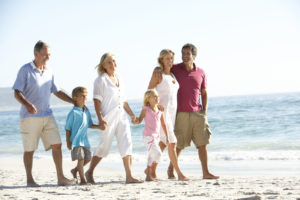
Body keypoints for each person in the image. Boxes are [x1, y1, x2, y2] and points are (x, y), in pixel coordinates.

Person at [12, 40, 77, 186]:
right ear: (36, 54)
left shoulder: (49, 71)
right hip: (29, 117)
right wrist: (27, 104)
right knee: (29, 149)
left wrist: (73, 101)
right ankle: (29, 179)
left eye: (49, 55)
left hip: (47, 115)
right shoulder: (25, 70)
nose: (48, 57)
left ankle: (61, 178)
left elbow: (57, 91)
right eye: (45, 55)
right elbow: (17, 92)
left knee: (57, 144)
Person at [153, 43, 219, 179]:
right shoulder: (176, 69)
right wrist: (157, 69)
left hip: (198, 113)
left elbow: (204, 92)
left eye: (188, 53)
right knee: (178, 145)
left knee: (203, 143)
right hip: (181, 113)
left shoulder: (201, 72)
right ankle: (170, 170)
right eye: (183, 53)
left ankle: (205, 173)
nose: (184, 56)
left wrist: (204, 110)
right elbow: (164, 67)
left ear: (194, 55)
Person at [85, 53, 143, 184]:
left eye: (114, 61)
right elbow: (96, 101)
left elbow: (124, 101)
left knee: (127, 143)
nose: (113, 64)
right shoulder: (100, 80)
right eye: (109, 62)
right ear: (103, 65)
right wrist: (100, 119)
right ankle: (89, 171)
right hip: (108, 118)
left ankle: (129, 176)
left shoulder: (120, 78)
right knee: (104, 147)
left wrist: (132, 115)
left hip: (121, 116)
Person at [147, 49, 189, 181]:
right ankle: (179, 173)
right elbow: (149, 92)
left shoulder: (172, 75)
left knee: (163, 143)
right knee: (172, 142)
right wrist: (156, 105)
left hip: (172, 114)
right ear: (161, 60)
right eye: (167, 59)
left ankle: (150, 170)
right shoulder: (158, 74)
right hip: (162, 114)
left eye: (171, 58)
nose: (170, 61)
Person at [65, 87, 104, 185]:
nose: (85, 98)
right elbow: (67, 128)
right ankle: (83, 180)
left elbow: (89, 124)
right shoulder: (73, 113)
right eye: (82, 96)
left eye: (86, 96)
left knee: (88, 159)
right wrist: (68, 142)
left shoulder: (86, 111)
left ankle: (75, 170)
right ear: (75, 98)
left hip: (84, 141)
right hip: (75, 141)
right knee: (81, 159)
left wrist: (99, 127)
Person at [133, 89, 169, 181]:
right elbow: (139, 120)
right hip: (148, 136)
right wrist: (135, 121)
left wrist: (167, 137)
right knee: (158, 153)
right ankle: (148, 173)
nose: (157, 98)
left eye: (157, 96)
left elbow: (163, 125)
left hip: (156, 137)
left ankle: (148, 175)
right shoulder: (146, 109)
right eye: (154, 96)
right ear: (148, 99)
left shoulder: (160, 110)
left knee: (152, 155)